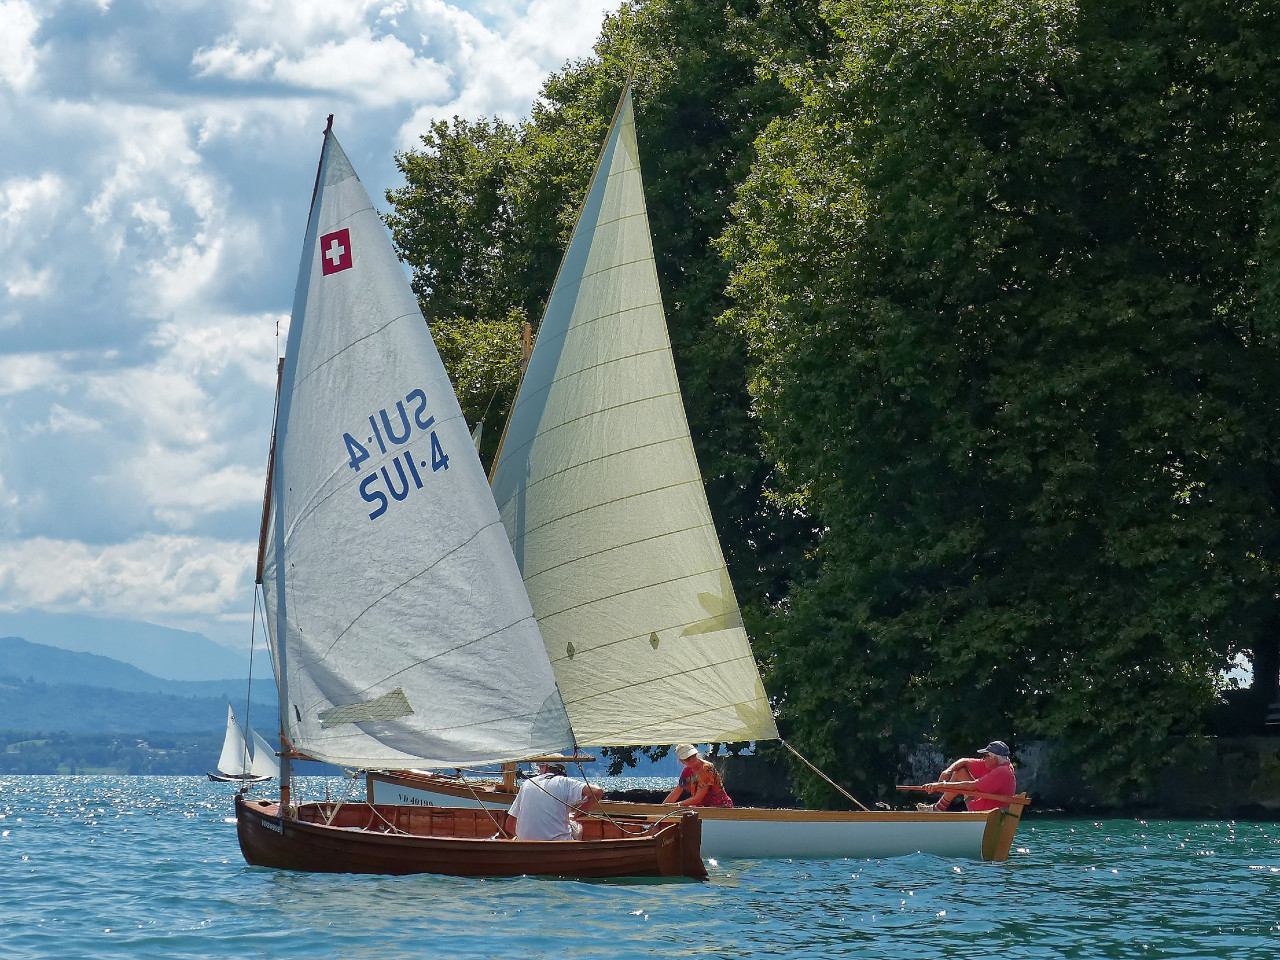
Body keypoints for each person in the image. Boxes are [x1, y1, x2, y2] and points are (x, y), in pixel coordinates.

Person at [503, 761, 603, 840]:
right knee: (577, 827)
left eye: (540, 767)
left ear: (545, 767)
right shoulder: (564, 782)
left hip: (525, 846)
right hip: (557, 847)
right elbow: (597, 791)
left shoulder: (527, 784)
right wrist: (580, 812)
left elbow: (509, 826)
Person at [917, 740, 1016, 812]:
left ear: (994, 759)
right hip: (993, 811)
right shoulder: (1001, 765)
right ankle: (938, 808)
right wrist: (947, 772)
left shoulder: (1001, 772)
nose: (983, 759)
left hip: (988, 813)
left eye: (985, 756)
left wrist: (940, 785)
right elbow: (964, 761)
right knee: (959, 772)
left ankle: (937, 809)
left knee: (959, 775)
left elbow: (970, 786)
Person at [663, 743, 734, 808]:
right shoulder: (687, 772)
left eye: (693, 756)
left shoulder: (706, 768)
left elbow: (698, 798)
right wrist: (662, 807)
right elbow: (677, 791)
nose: (691, 759)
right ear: (682, 761)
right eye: (687, 759)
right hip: (703, 808)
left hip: (720, 808)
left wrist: (677, 805)